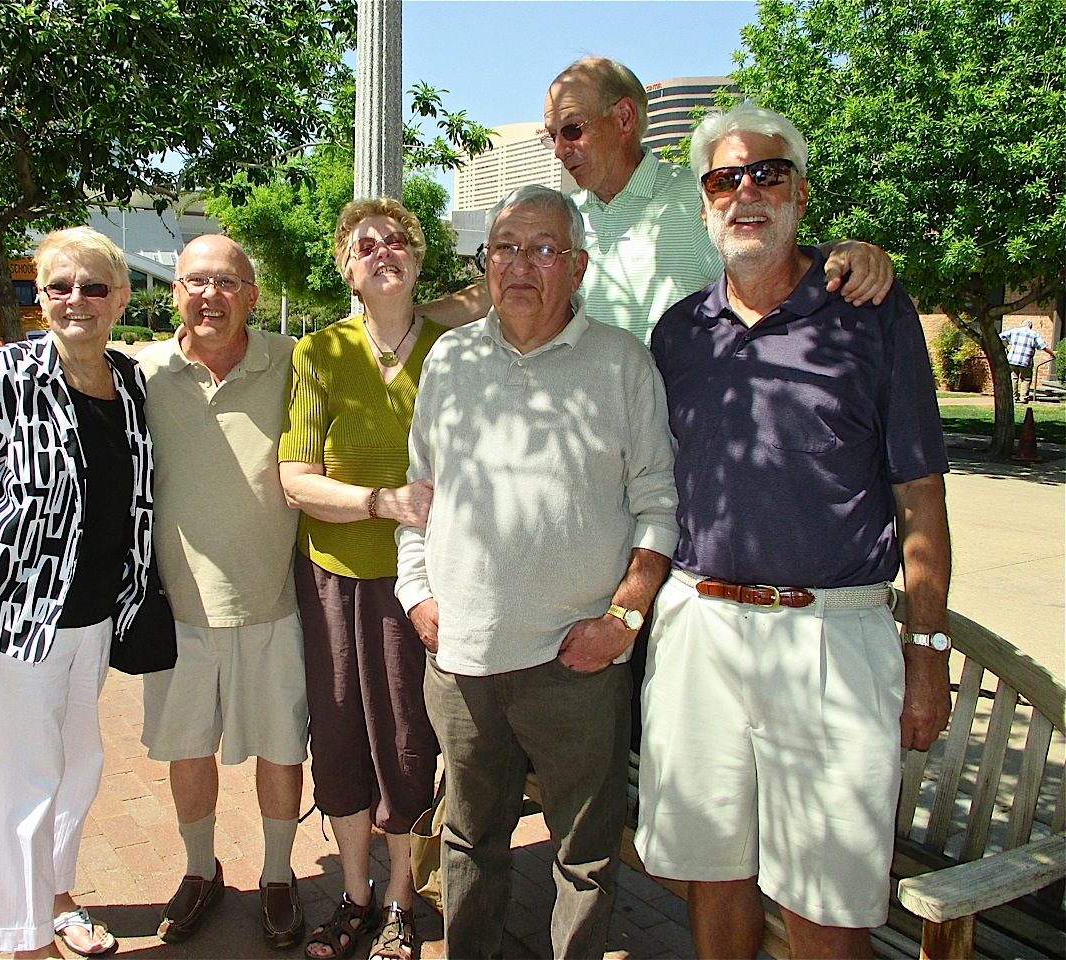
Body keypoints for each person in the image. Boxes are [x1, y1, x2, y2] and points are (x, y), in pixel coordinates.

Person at [639, 103, 953, 959]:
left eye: (767, 173)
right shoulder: (678, 334)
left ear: (801, 194)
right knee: (713, 869)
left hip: (833, 639)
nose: (746, 192)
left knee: (826, 896)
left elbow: (921, 494)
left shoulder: (871, 309)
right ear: (705, 206)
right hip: (699, 625)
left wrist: (927, 652)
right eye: (724, 179)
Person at [396, 184, 679, 959]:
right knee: (467, 840)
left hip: (576, 663)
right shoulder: (448, 360)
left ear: (578, 266)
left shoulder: (623, 364)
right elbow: (420, 491)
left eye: (545, 249)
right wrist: (416, 593)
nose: (522, 264)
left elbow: (659, 504)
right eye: (506, 248)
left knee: (585, 858)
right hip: (462, 656)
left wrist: (621, 619)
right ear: (486, 262)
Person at [0, 226, 154, 959]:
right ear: (39, 297)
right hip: (13, 616)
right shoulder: (6, 374)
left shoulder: (127, 380)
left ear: (120, 297)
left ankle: (55, 896)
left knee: (76, 766)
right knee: (19, 782)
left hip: (91, 618)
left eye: (94, 287)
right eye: (60, 286)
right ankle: (17, 937)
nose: (76, 300)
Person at [418, 56, 896, 339]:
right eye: (552, 136)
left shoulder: (704, 203)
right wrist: (407, 317)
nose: (561, 150)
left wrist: (847, 252)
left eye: (572, 130)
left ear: (624, 118)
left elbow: (779, 262)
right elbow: (493, 294)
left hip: (680, 461)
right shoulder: (563, 222)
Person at [279, 198, 445, 960]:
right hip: (334, 584)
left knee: (409, 743)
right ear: (347, 268)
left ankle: (403, 902)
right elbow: (296, 482)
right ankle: (353, 894)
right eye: (365, 245)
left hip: (426, 589)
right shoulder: (318, 354)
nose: (383, 253)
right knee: (340, 736)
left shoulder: (455, 353)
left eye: (397, 241)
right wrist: (382, 501)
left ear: (417, 260)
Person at [135, 234, 308, 949]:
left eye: (228, 283)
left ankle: (276, 875)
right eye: (195, 281)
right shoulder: (140, 372)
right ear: (174, 291)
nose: (211, 296)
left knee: (280, 748)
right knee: (187, 748)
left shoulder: (293, 363)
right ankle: (201, 870)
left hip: (273, 600)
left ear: (253, 294)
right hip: (175, 607)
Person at [999, 319, 1053, 402]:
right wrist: (1052, 353)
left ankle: (1014, 398)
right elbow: (1043, 347)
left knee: (1014, 378)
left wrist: (1006, 345)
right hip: (1026, 360)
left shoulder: (1014, 331)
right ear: (1030, 326)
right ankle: (1023, 397)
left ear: (1021, 324)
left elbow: (1000, 336)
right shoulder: (1034, 334)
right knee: (1026, 379)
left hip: (1012, 359)